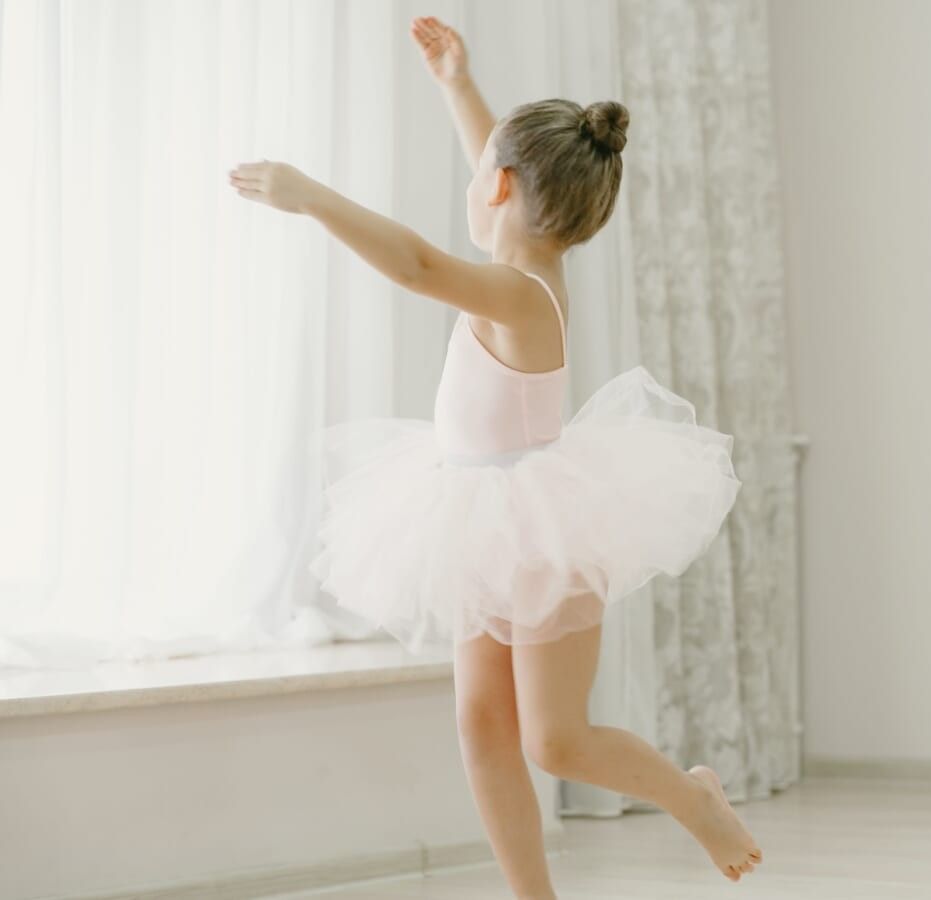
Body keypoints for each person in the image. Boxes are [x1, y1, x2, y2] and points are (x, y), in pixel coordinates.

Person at [228, 15, 762, 898]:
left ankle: (691, 795)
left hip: (542, 531)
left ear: (503, 188)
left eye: (483, 173)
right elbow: (500, 165)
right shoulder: (527, 256)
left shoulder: (519, 292)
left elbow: (414, 265)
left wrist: (312, 195)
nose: (475, 180)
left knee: (555, 740)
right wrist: (457, 86)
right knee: (481, 725)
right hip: (479, 521)